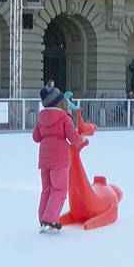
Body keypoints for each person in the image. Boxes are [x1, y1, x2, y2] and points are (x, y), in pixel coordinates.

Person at [32, 87, 83, 233]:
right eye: (65, 103)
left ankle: (43, 219)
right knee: (59, 189)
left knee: (46, 190)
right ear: (60, 104)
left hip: (44, 160)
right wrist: (81, 139)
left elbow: (36, 137)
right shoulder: (64, 118)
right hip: (59, 160)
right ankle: (50, 219)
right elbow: (72, 137)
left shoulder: (41, 118)